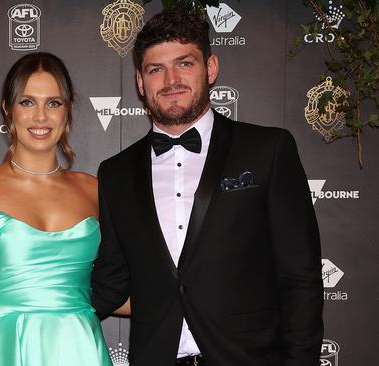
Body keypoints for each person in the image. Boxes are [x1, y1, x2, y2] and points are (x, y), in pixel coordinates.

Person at [91, 8, 323, 366]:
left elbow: (300, 276)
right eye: (156, 69)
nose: (171, 79)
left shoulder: (268, 150)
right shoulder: (115, 173)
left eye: (184, 63)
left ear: (210, 68)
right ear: (140, 82)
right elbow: (110, 282)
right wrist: (22, 300)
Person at [0, 52, 112, 366]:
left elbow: (117, 286)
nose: (40, 117)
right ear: (8, 109)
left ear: (67, 111)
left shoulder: (94, 189)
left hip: (79, 350)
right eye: (27, 102)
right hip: (2, 351)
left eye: (53, 103)